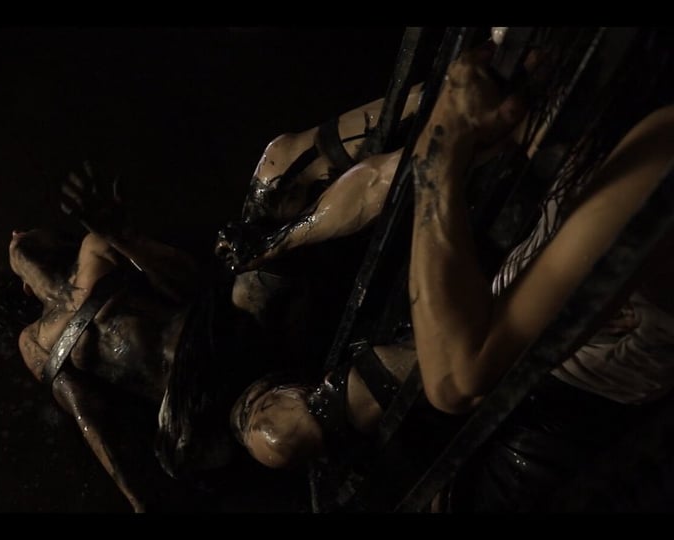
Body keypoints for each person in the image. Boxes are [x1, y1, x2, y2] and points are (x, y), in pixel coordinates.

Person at [228, 27, 674, 512]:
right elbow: (378, 179)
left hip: (565, 405)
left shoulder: (657, 147)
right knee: (280, 431)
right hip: (511, 335)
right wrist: (277, 243)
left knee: (295, 435)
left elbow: (458, 378)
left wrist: (439, 158)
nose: (496, 37)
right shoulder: (556, 91)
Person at [8, 76, 427, 511]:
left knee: (278, 165)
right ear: (24, 287)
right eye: (13, 243)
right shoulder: (36, 342)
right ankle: (439, 347)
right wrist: (139, 501)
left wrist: (124, 237)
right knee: (281, 435)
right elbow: (90, 418)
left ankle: (437, 99)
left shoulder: (95, 248)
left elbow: (192, 282)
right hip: (216, 400)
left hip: (233, 318)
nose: (15, 234)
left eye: (24, 230)